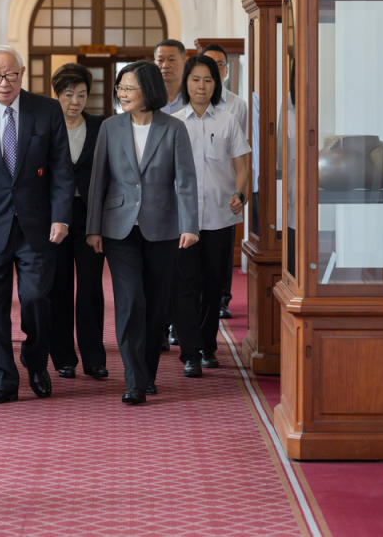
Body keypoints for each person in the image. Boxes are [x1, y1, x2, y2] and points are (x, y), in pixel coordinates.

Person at [0, 44, 74, 404]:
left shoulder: (47, 110)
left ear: (22, 74)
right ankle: (1, 380)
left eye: (10, 75)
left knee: (36, 298)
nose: (3, 83)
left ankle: (35, 360)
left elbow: (62, 170)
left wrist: (61, 215)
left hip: (37, 225)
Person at [86, 61, 198, 404]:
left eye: (128, 88)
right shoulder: (110, 127)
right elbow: (98, 181)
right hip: (119, 228)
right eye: (120, 88)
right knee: (131, 300)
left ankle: (147, 373)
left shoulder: (174, 128)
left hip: (162, 227)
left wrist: (189, 225)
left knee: (156, 307)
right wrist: (93, 228)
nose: (122, 94)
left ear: (147, 90)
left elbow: (186, 181)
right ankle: (133, 381)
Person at [172, 56, 250, 375]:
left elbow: (242, 166)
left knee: (213, 285)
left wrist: (240, 194)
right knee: (185, 285)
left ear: (216, 84)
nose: (201, 86)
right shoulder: (175, 122)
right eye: (195, 80)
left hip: (220, 216)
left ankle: (208, 345)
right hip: (184, 220)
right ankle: (189, 352)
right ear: (186, 83)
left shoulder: (228, 120)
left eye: (207, 80)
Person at [47, 64, 107, 380]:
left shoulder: (100, 127)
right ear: (56, 94)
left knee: (90, 290)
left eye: (81, 94)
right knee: (58, 289)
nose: (75, 101)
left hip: (89, 218)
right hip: (55, 219)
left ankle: (94, 356)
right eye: (69, 94)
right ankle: (63, 357)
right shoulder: (45, 125)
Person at [202, 43, 250, 319]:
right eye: (208, 64)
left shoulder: (236, 105)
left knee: (222, 249)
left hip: (225, 186)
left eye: (219, 65)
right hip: (195, 190)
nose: (214, 70)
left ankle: (222, 298)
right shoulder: (188, 103)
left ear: (227, 70)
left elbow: (241, 151)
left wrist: (240, 190)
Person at [154, 39, 188, 116]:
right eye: (160, 60)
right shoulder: (146, 98)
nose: (165, 65)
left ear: (184, 62)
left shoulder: (195, 96)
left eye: (171, 60)